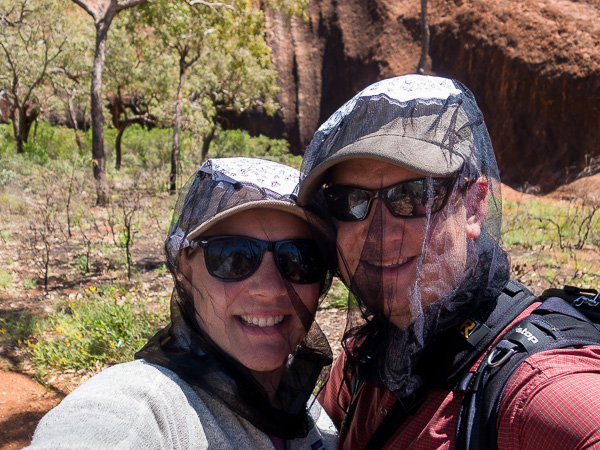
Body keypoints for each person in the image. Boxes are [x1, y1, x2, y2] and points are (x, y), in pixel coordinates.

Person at [298, 74, 600, 449]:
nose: (380, 234)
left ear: (473, 206)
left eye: (414, 196)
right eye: (351, 201)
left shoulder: (533, 394)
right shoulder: (370, 354)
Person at [28, 157, 338, 449]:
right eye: (233, 257)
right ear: (185, 269)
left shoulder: (314, 419)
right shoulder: (148, 408)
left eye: (299, 258)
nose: (270, 289)